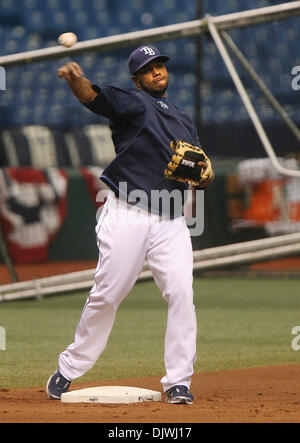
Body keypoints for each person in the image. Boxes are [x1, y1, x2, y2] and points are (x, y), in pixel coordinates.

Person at [46, 45, 214, 404]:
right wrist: (76, 81)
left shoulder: (184, 119)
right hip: (128, 211)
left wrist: (204, 174)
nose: (156, 71)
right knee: (108, 294)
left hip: (171, 219)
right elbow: (93, 96)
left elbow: (203, 172)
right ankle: (68, 368)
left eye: (159, 65)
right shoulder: (132, 103)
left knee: (182, 294)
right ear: (137, 79)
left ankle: (178, 382)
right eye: (148, 68)